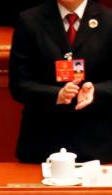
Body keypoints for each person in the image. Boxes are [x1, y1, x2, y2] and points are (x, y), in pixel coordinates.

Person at [9, 0, 112, 163]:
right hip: (43, 139)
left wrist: (96, 91)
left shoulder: (108, 20)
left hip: (97, 141)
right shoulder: (29, 20)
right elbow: (19, 84)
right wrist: (57, 94)